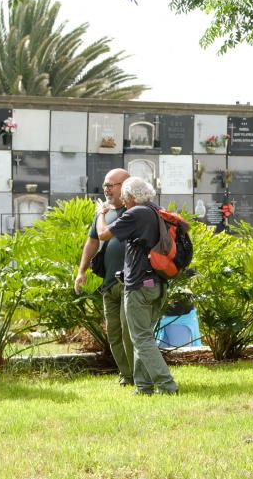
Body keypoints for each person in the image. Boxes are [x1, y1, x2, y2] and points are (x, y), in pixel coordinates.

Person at [95, 177, 179, 395]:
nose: (123, 200)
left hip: (139, 285)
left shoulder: (135, 213)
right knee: (143, 335)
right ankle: (143, 386)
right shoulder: (155, 210)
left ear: (131, 197)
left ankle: (166, 385)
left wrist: (100, 214)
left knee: (140, 338)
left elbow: (103, 234)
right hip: (156, 283)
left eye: (124, 196)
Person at [75, 168, 134, 385]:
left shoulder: (135, 211)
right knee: (115, 335)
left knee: (129, 334)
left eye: (112, 185)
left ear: (125, 185)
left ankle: (139, 376)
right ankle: (126, 376)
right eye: (105, 185)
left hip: (131, 283)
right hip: (110, 283)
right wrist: (81, 271)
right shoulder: (104, 212)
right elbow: (92, 241)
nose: (107, 189)